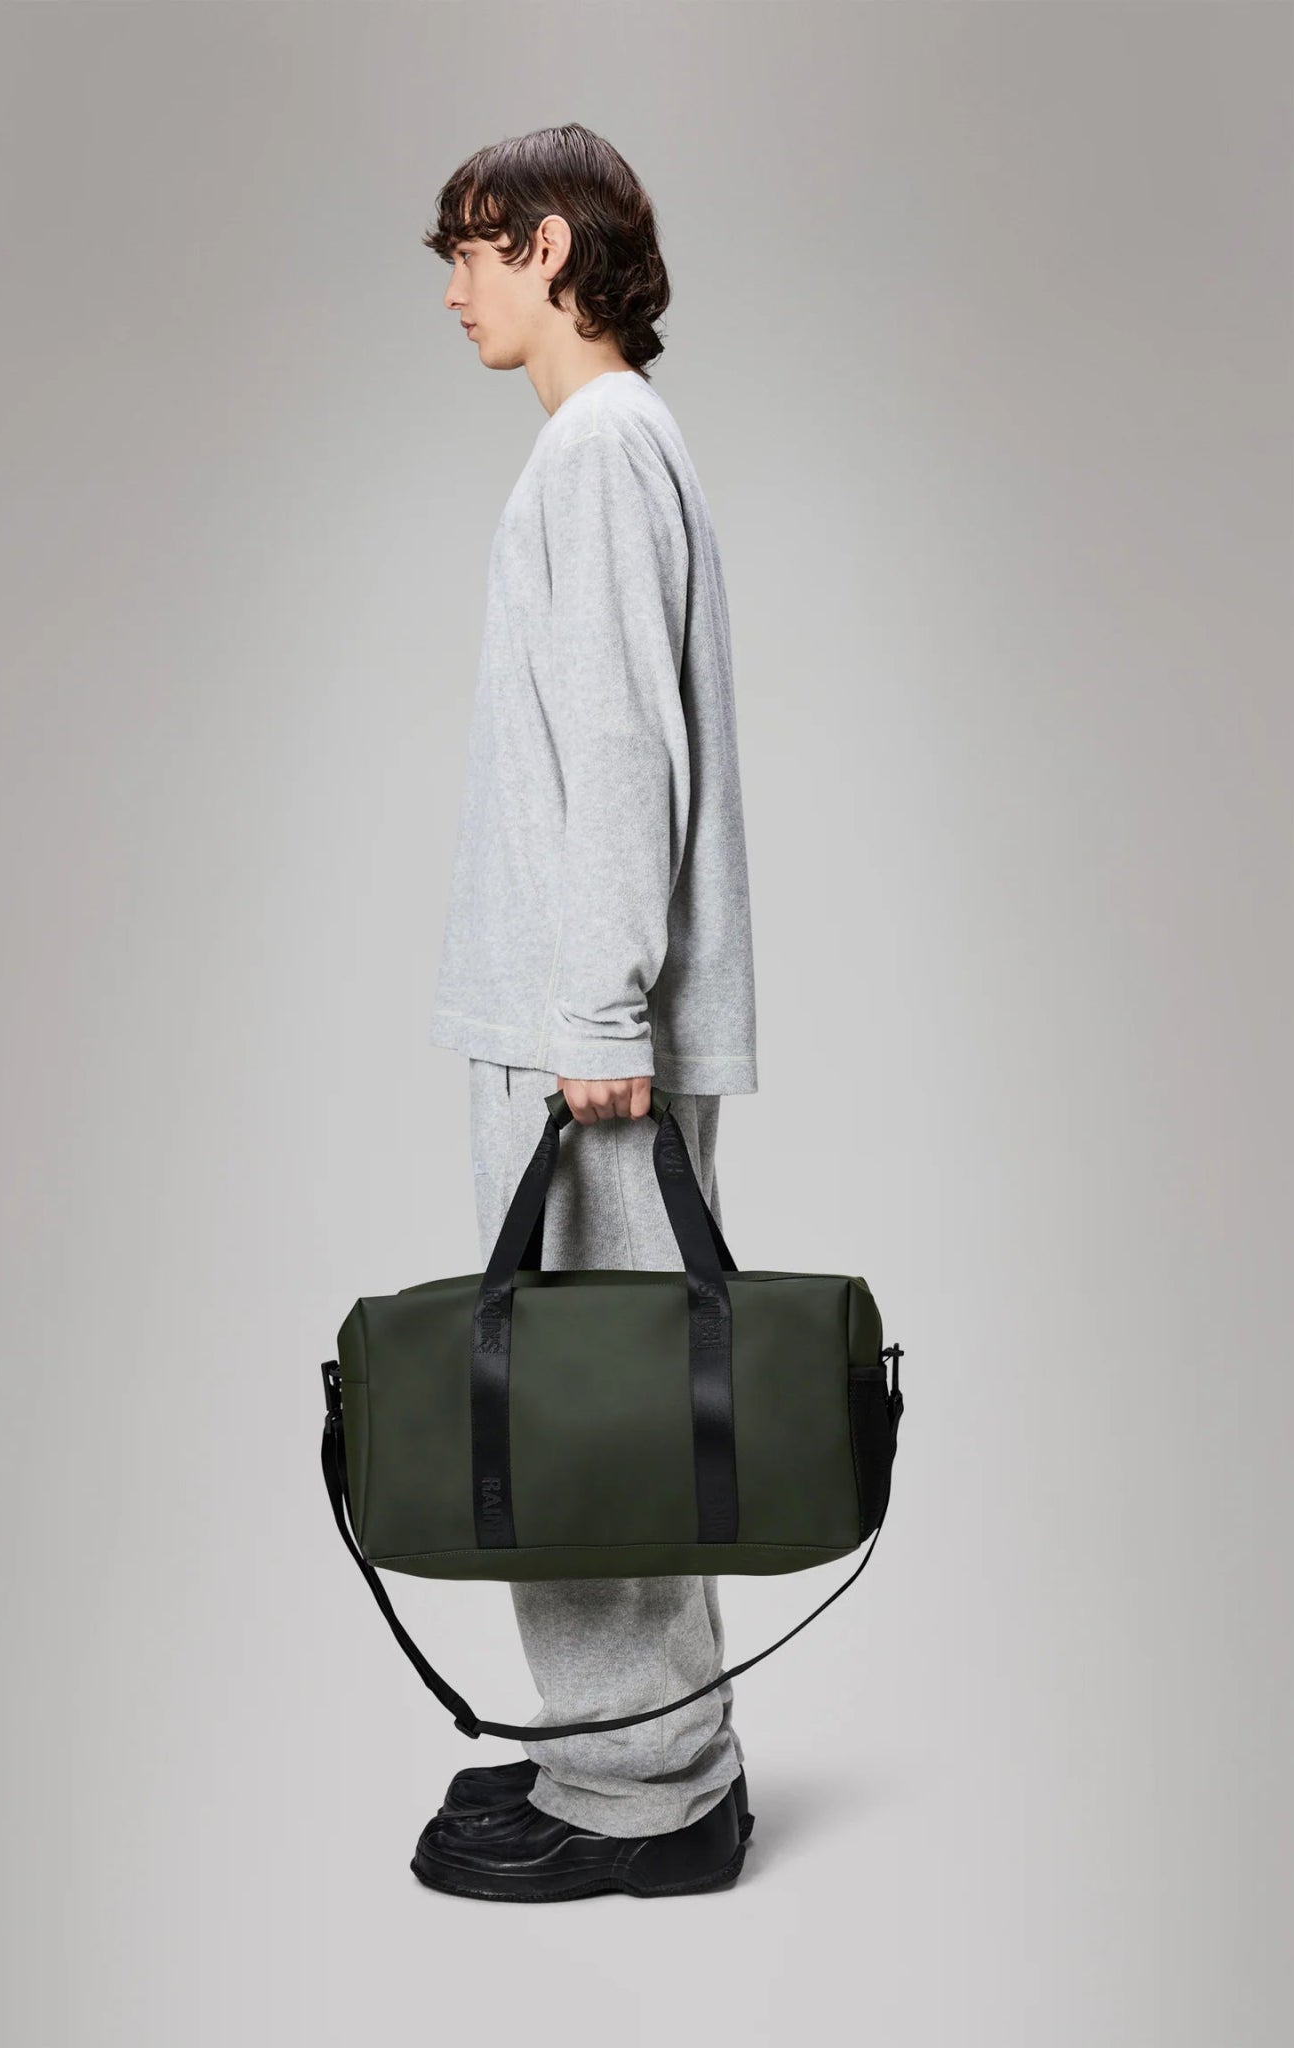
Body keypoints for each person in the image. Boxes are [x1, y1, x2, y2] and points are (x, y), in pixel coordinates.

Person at [409, 123, 760, 1903]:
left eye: (469, 254)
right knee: (593, 1397)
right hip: (574, 1018)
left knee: (583, 1413)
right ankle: (631, 1758)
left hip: (582, 1035)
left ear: (549, 249)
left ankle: (645, 1800)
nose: (452, 292)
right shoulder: (611, 444)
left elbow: (623, 742)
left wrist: (602, 1015)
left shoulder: (601, 449)